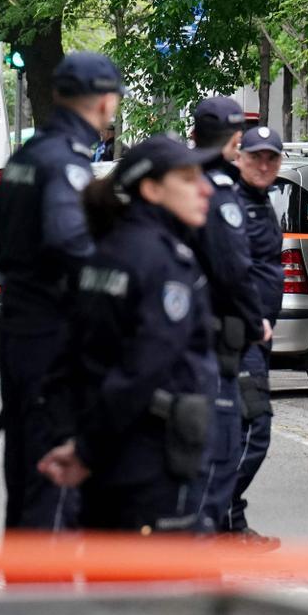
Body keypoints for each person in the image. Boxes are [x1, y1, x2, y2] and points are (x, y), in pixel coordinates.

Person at [38, 134, 219, 533]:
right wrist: (85, 450)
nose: (205, 188)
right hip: (151, 462)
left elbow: (67, 360)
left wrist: (72, 440)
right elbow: (143, 368)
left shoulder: (106, 253)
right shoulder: (164, 262)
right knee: (158, 590)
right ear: (152, 189)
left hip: (109, 461)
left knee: (110, 585)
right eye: (188, 179)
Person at [0, 51, 124, 531]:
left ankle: (26, 596)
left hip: (20, 333)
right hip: (55, 344)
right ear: (104, 102)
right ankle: (47, 601)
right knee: (55, 488)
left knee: (24, 481)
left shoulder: (26, 157)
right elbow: (72, 245)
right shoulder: (66, 166)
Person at [187, 97, 268, 533]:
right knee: (220, 447)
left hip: (172, 335)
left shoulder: (176, 180)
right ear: (236, 140)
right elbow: (235, 270)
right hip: (215, 339)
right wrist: (256, 324)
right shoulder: (219, 191)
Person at [226, 126, 284, 548]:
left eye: (271, 158)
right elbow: (230, 272)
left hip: (257, 334)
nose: (264, 165)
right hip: (238, 335)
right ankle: (218, 517)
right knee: (254, 428)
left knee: (242, 429)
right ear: (240, 158)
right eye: (256, 156)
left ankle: (228, 521)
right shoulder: (231, 205)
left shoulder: (263, 203)